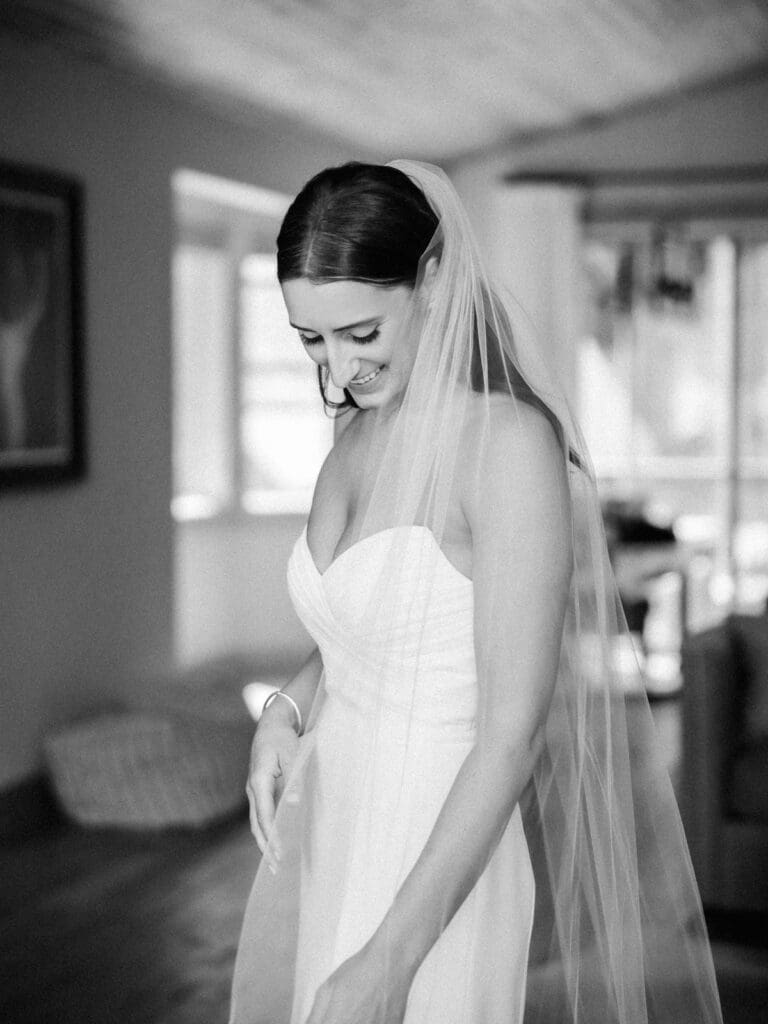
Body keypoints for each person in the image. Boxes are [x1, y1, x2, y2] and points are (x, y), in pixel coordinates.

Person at [228, 160, 723, 1024]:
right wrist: (285, 710)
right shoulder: (352, 424)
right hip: (332, 825)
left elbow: (510, 736)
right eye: (312, 340)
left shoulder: (508, 448)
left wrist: (390, 959)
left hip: (436, 854)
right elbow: (360, 632)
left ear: (432, 278)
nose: (338, 369)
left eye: (361, 333)